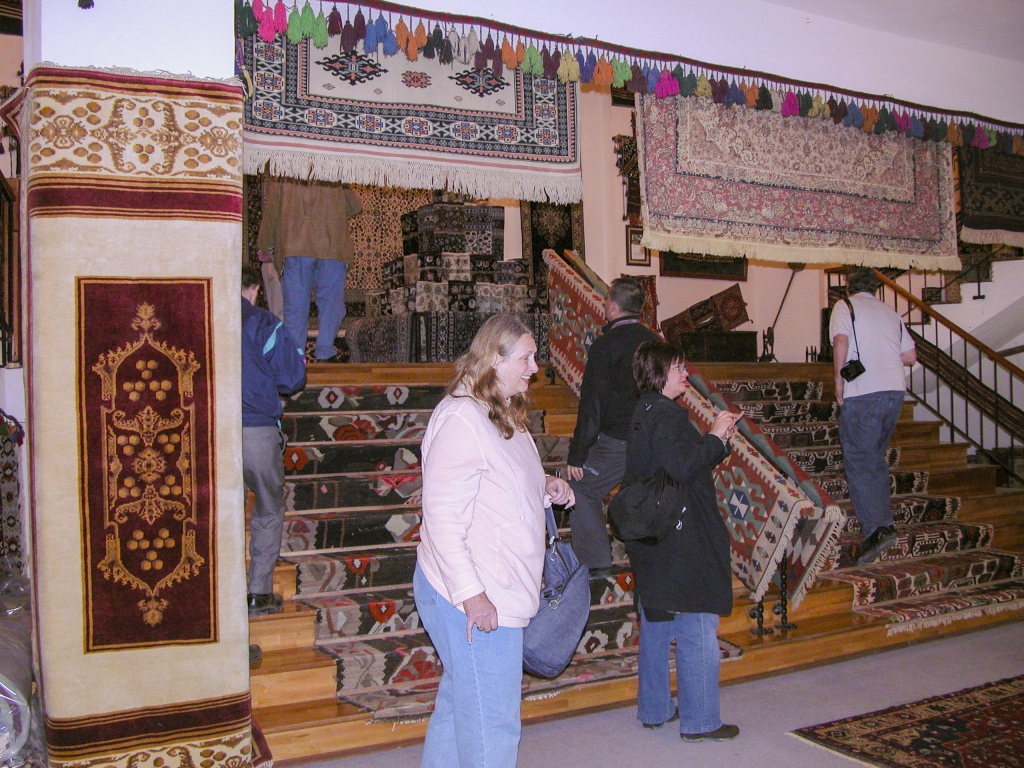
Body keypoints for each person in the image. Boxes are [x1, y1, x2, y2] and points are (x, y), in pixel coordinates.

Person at [414, 314, 575, 768]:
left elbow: (500, 477)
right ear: (494, 358)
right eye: (526, 357)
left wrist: (545, 485)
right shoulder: (461, 420)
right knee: (493, 722)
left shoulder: (500, 407)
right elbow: (442, 519)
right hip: (473, 591)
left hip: (496, 583)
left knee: (461, 704)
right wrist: (472, 596)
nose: (535, 367)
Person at [624, 341, 742, 742]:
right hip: (681, 535)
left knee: (657, 620)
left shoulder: (645, 410)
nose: (685, 374)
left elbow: (673, 464)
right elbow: (684, 465)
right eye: (677, 368)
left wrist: (715, 442)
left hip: (655, 534)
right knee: (698, 619)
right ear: (659, 372)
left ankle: (655, 708)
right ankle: (702, 719)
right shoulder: (668, 415)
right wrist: (714, 436)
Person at [566, 277, 660, 573]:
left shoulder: (606, 346)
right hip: (653, 437)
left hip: (619, 440)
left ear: (614, 306)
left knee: (581, 489)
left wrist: (577, 454)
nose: (605, 305)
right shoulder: (657, 343)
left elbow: (592, 404)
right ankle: (652, 562)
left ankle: (596, 567)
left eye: (607, 301)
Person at [829, 267, 917, 565]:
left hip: (863, 392)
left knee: (860, 462)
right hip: (894, 391)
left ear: (848, 287)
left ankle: (877, 530)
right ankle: (884, 522)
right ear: (876, 288)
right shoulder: (890, 312)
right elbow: (910, 356)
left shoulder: (845, 306)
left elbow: (841, 340)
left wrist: (839, 380)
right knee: (875, 459)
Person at [241, 265, 307, 618]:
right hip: (256, 431)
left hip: (208, 430)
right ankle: (257, 593)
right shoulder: (263, 322)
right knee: (268, 506)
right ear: (252, 289)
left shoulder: (202, 316)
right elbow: (293, 377)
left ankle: (217, 593)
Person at [257, 177, 362, 361]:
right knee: (331, 305)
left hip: (294, 247)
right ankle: (324, 352)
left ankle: (296, 360)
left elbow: (272, 211)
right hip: (332, 247)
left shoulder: (284, 171)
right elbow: (354, 206)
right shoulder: (334, 170)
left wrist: (264, 245)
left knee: (295, 309)